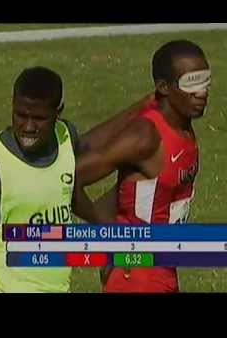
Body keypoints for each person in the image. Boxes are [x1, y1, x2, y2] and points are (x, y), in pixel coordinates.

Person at [0, 66, 153, 293]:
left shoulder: (64, 139)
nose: (28, 127)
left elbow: (69, 187)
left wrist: (146, 105)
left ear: (58, 113)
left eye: (38, 118)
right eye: (20, 115)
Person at [75, 40, 211, 293]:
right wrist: (111, 235)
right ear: (164, 87)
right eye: (191, 82)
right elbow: (69, 179)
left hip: (162, 268)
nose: (201, 91)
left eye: (205, 80)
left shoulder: (183, 128)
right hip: (137, 276)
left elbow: (125, 193)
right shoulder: (146, 136)